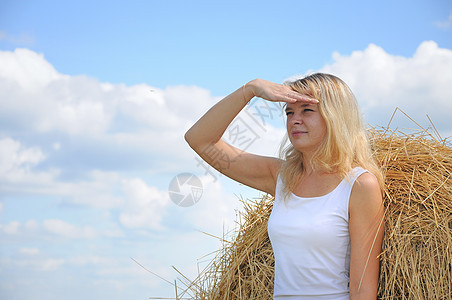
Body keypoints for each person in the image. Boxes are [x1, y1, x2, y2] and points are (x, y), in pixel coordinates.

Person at [185, 73, 384, 299]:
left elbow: (363, 289)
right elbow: (200, 139)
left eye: (306, 110)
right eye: (289, 112)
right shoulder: (281, 177)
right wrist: (250, 89)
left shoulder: (359, 185)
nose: (294, 120)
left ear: (335, 116)